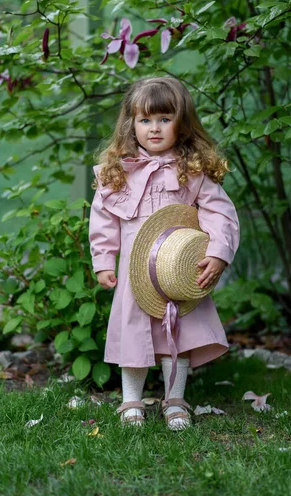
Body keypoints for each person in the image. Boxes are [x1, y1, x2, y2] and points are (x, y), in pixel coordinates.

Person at [89, 77, 240, 430]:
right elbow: (103, 219)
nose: (154, 129)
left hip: (176, 272)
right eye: (145, 120)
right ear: (131, 125)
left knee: (181, 332)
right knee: (133, 334)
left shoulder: (193, 171)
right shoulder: (119, 171)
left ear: (182, 122)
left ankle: (175, 399)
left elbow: (220, 214)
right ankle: (131, 400)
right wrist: (102, 261)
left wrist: (217, 253)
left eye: (164, 119)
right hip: (133, 273)